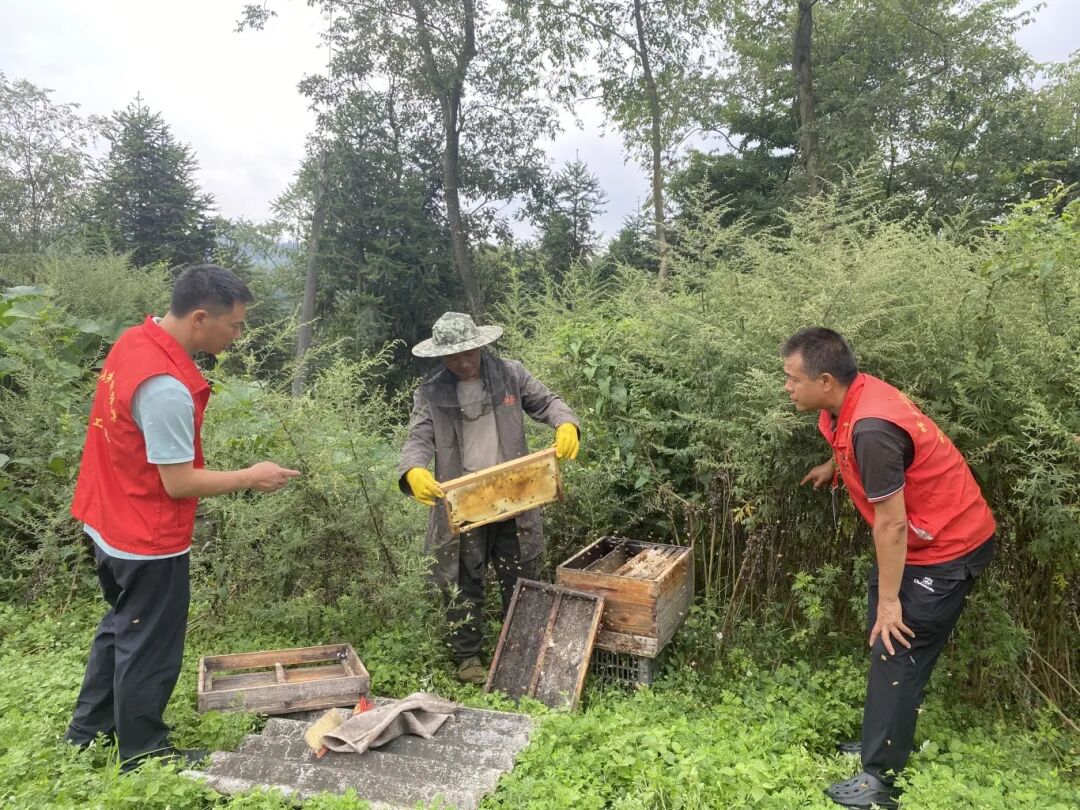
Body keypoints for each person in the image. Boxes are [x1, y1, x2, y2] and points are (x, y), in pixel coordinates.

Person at [64, 264, 300, 771]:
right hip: (145, 536)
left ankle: (87, 734)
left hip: (107, 518)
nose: (238, 336)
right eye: (234, 325)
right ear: (199, 319)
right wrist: (251, 476)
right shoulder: (166, 386)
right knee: (149, 645)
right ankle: (144, 753)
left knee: (120, 627)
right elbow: (179, 482)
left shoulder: (133, 342)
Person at [782, 327, 994, 809]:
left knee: (898, 646)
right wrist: (835, 466)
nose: (787, 387)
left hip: (945, 547)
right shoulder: (851, 401)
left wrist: (893, 602)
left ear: (826, 380)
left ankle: (881, 780)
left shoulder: (873, 429)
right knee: (888, 642)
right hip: (923, 539)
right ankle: (885, 737)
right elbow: (858, 445)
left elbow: (892, 523)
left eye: (793, 378)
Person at [398, 312, 580, 684]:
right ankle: (468, 658)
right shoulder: (430, 392)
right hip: (464, 497)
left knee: (522, 571)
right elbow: (418, 438)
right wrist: (413, 470)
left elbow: (548, 402)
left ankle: (525, 649)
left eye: (468, 353)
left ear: (480, 346)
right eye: (453, 356)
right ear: (441, 356)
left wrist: (566, 423)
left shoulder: (511, 374)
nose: (463, 362)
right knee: (464, 577)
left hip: (514, 492)